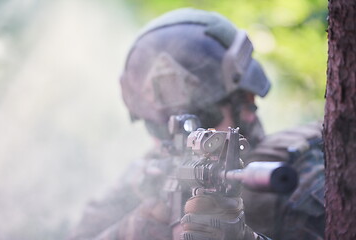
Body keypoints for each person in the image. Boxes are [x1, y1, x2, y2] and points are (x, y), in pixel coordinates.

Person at [67, 8, 324, 240]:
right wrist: (129, 232)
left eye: (201, 121)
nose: (179, 140)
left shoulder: (300, 176)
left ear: (246, 103)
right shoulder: (147, 176)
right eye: (158, 126)